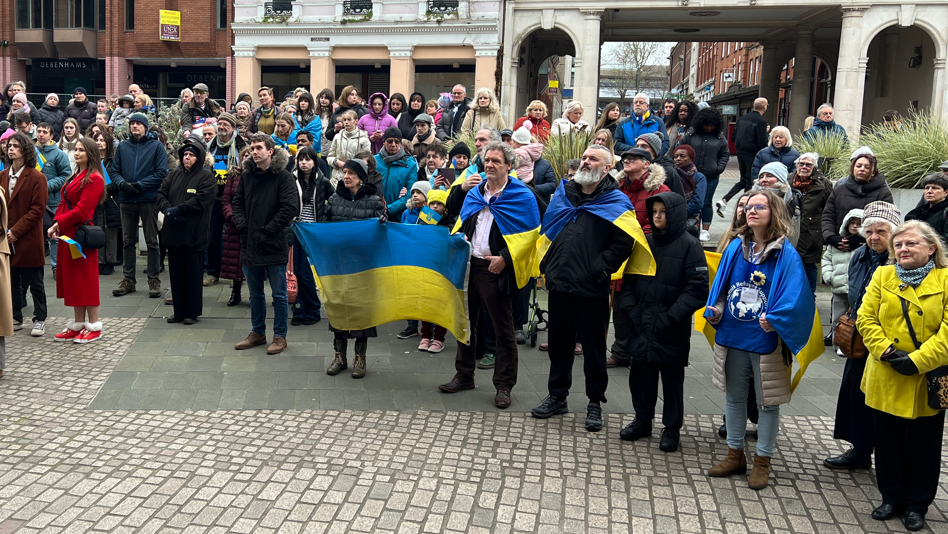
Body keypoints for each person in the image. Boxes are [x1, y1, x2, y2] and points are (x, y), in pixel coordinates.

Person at [705, 189, 814, 491]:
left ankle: (763, 460)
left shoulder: (785, 254)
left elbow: (798, 298)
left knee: (767, 402)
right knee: (734, 397)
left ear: (774, 212)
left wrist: (777, 320)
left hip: (766, 339)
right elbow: (723, 290)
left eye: (760, 207)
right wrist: (717, 309)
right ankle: (734, 453)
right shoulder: (734, 248)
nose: (752, 211)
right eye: (749, 207)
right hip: (733, 335)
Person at [530, 144, 635, 431]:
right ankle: (557, 396)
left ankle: (594, 402)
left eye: (593, 159)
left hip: (592, 287)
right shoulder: (565, 195)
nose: (586, 162)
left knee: (593, 347)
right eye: (585, 158)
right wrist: (547, 266)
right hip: (561, 282)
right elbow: (548, 229)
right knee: (560, 345)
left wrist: (599, 268)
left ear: (606, 167)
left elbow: (623, 244)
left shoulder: (617, 201)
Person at [856, 219, 948, 532]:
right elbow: (865, 318)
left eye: (911, 243)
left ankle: (917, 505)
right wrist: (887, 352)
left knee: (924, 444)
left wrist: (919, 361)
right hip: (887, 370)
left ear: (932, 248)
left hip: (927, 377)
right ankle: (891, 497)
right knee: (887, 441)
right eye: (898, 244)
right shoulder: (883, 274)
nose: (903, 248)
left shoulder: (946, 279)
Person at [439, 141, 540, 409]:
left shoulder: (522, 195)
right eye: (487, 160)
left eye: (496, 160)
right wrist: (460, 239)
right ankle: (464, 376)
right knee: (466, 323)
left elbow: (531, 236)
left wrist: (505, 259)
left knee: (502, 329)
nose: (490, 165)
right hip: (469, 266)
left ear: (509, 165)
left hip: (495, 269)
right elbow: (463, 221)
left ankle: (504, 385)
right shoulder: (476, 192)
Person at [619, 192, 709, 451]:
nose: (658, 216)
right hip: (641, 321)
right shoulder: (644, 243)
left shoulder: (690, 245)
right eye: (655, 212)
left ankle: (671, 428)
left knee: (671, 379)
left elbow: (697, 288)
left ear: (675, 214)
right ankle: (642, 420)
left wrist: (672, 316)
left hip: (671, 325)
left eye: (663, 212)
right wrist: (630, 308)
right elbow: (629, 279)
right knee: (641, 375)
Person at [232, 133, 300, 355]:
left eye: (259, 147)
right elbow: (237, 203)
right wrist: (243, 226)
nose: (254, 151)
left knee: (279, 294)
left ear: (270, 151)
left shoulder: (284, 177)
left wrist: (269, 230)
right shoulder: (247, 175)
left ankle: (280, 336)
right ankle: (257, 332)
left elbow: (290, 208)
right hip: (250, 242)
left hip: (273, 243)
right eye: (252, 148)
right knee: (255, 293)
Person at [322, 158, 385, 378]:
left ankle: (360, 357)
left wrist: (382, 223)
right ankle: (339, 356)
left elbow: (380, 233)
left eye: (351, 173)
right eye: (344, 172)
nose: (346, 176)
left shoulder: (374, 200)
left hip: (363, 266)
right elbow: (324, 228)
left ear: (361, 177)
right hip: (338, 264)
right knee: (338, 307)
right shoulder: (333, 199)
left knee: (361, 310)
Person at [155, 136, 216, 324]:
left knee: (193, 275)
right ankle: (178, 311)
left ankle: (192, 312)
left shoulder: (206, 176)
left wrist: (180, 209)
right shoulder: (174, 174)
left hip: (194, 234)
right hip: (174, 233)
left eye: (191, 155)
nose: (187, 158)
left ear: (199, 157)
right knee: (176, 273)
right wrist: (167, 209)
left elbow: (201, 200)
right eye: (185, 155)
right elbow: (161, 194)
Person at [111, 113, 168, 299]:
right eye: (132, 124)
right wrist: (121, 184)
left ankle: (154, 279)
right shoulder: (123, 147)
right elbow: (115, 170)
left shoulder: (156, 146)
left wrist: (140, 185)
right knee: (128, 240)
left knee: (152, 240)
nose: (135, 126)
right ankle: (128, 279)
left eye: (138, 124)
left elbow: (161, 172)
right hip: (126, 199)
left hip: (148, 199)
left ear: (145, 126)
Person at [2, 133, 49, 337]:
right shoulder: (2, 175)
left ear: (25, 150)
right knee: (11, 280)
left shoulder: (37, 177)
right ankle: (15, 316)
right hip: (6, 239)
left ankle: (40, 319)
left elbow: (37, 210)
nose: (10, 149)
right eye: (8, 145)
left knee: (35, 281)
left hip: (28, 237)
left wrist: (16, 231)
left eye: (15, 146)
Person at [821, 149, 893, 259]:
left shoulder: (883, 193)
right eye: (858, 166)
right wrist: (831, 237)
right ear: (853, 168)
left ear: (873, 170)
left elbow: (885, 222)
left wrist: (860, 239)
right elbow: (827, 216)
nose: (862, 169)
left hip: (869, 251)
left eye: (867, 167)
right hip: (837, 249)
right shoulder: (839, 190)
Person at [204, 113, 246, 287]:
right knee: (213, 237)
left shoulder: (242, 146)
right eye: (219, 124)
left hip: (234, 200)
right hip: (214, 199)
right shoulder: (210, 146)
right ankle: (213, 272)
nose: (221, 127)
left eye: (225, 124)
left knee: (236, 239)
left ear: (233, 128)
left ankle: (238, 275)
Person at [291, 147, 332, 326]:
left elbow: (335, 201)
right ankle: (299, 309)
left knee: (306, 273)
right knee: (295, 271)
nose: (304, 163)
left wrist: (325, 222)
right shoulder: (291, 180)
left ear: (315, 162)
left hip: (313, 233)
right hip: (295, 230)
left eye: (307, 159)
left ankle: (313, 308)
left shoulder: (322, 181)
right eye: (301, 159)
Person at [682, 106, 729, 242]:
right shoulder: (691, 135)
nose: (709, 127)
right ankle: (690, 226)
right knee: (691, 201)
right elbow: (680, 148)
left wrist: (718, 168)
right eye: (706, 124)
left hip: (710, 176)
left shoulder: (720, 138)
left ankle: (705, 230)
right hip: (690, 175)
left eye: (712, 125)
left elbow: (725, 154)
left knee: (706, 202)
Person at [821, 208, 864, 354]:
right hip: (838, 285)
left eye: (859, 223)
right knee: (837, 317)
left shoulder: (863, 245)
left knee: (855, 317)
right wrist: (828, 276)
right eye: (852, 223)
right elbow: (826, 260)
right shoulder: (837, 243)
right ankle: (837, 341)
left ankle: (851, 343)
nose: (855, 226)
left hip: (856, 288)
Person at [791, 152, 833, 293]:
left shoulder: (824, 184)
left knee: (808, 265)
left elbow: (830, 208)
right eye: (801, 164)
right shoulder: (788, 180)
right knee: (790, 263)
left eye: (808, 164)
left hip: (812, 232)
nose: (804, 167)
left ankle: (810, 297)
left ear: (814, 167)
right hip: (791, 229)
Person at [36, 122, 72, 275]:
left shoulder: (59, 154)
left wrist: (45, 186)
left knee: (54, 236)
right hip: (34, 201)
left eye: (45, 132)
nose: (41, 134)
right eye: (39, 131)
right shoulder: (32, 152)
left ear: (51, 136)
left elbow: (66, 176)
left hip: (53, 202)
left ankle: (57, 267)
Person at [721, 98, 769, 212]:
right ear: (764, 107)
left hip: (740, 153)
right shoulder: (761, 122)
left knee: (744, 179)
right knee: (750, 181)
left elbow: (733, 137)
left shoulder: (742, 119)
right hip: (753, 154)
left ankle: (726, 200)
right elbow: (762, 143)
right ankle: (746, 206)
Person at [221, 146, 250, 307]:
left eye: (249, 155)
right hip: (234, 224)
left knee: (253, 260)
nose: (246, 157)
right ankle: (236, 292)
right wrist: (232, 217)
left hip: (252, 224)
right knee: (234, 259)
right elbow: (226, 200)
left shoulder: (257, 176)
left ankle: (254, 293)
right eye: (244, 155)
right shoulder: (233, 176)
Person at [616, 148, 669, 235]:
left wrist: (638, 239)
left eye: (632, 159)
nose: (626, 161)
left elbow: (659, 223)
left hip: (645, 243)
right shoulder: (617, 188)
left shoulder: (660, 190)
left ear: (646, 164)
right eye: (624, 159)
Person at [751, 162, 802, 246]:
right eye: (761, 176)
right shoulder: (750, 198)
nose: (764, 179)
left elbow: (793, 235)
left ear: (780, 179)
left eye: (769, 176)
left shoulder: (790, 201)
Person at [374, 127, 418, 221]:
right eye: (390, 141)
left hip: (398, 216)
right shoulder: (374, 161)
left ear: (401, 144)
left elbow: (411, 193)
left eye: (396, 141)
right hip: (375, 213)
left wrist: (389, 209)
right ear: (384, 142)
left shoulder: (410, 165)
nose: (393, 145)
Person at [93, 129, 121, 276]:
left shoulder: (115, 159)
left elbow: (118, 180)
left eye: (102, 140)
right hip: (96, 200)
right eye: (97, 140)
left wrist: (105, 188)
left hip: (111, 200)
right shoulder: (93, 160)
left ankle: (110, 261)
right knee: (98, 230)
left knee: (110, 232)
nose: (99, 143)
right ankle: (100, 261)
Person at [327, 110, 369, 188]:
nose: (346, 122)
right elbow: (330, 156)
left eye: (349, 119)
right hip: (337, 177)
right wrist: (336, 161)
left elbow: (366, 160)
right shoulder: (337, 137)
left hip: (355, 178)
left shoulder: (364, 139)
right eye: (345, 120)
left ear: (356, 121)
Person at [634, 132, 684, 198]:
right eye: (637, 146)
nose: (639, 149)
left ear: (654, 151)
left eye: (644, 146)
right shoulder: (631, 168)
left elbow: (679, 199)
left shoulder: (668, 171)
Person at [672, 145, 707, 236]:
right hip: (671, 219)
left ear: (690, 159)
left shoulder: (699, 177)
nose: (678, 159)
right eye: (676, 156)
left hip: (689, 219)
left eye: (682, 156)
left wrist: (679, 215)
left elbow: (698, 202)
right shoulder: (671, 175)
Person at [905, 173, 948, 245]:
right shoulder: (916, 212)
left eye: (935, 188)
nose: (929, 191)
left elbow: (945, 239)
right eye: (927, 188)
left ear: (946, 192)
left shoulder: (945, 212)